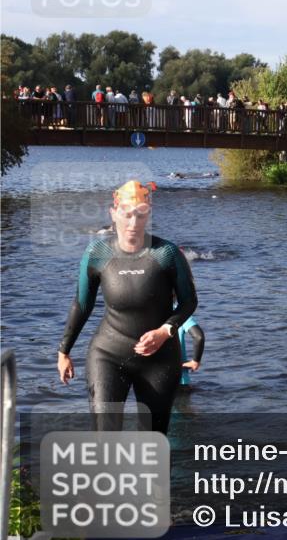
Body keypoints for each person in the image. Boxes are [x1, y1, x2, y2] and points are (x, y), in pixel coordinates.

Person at [57, 180, 198, 433]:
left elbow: (189, 301)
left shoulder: (166, 253)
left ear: (149, 214)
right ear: (113, 213)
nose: (133, 223)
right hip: (108, 354)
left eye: (141, 214)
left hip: (160, 358)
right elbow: (82, 303)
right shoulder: (97, 252)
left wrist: (164, 331)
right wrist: (64, 350)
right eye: (127, 214)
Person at [178, 313, 205, 387]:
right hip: (180, 380)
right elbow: (199, 337)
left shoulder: (147, 313)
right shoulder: (180, 312)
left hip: (152, 381)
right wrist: (195, 361)